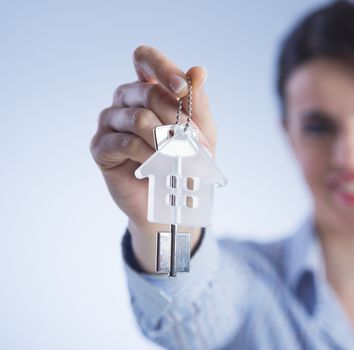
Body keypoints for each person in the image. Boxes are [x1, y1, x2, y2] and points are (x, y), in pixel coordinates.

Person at [90, 1, 354, 349]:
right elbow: (188, 310)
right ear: (289, 135)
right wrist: (167, 223)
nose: (347, 157)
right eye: (318, 127)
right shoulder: (251, 287)